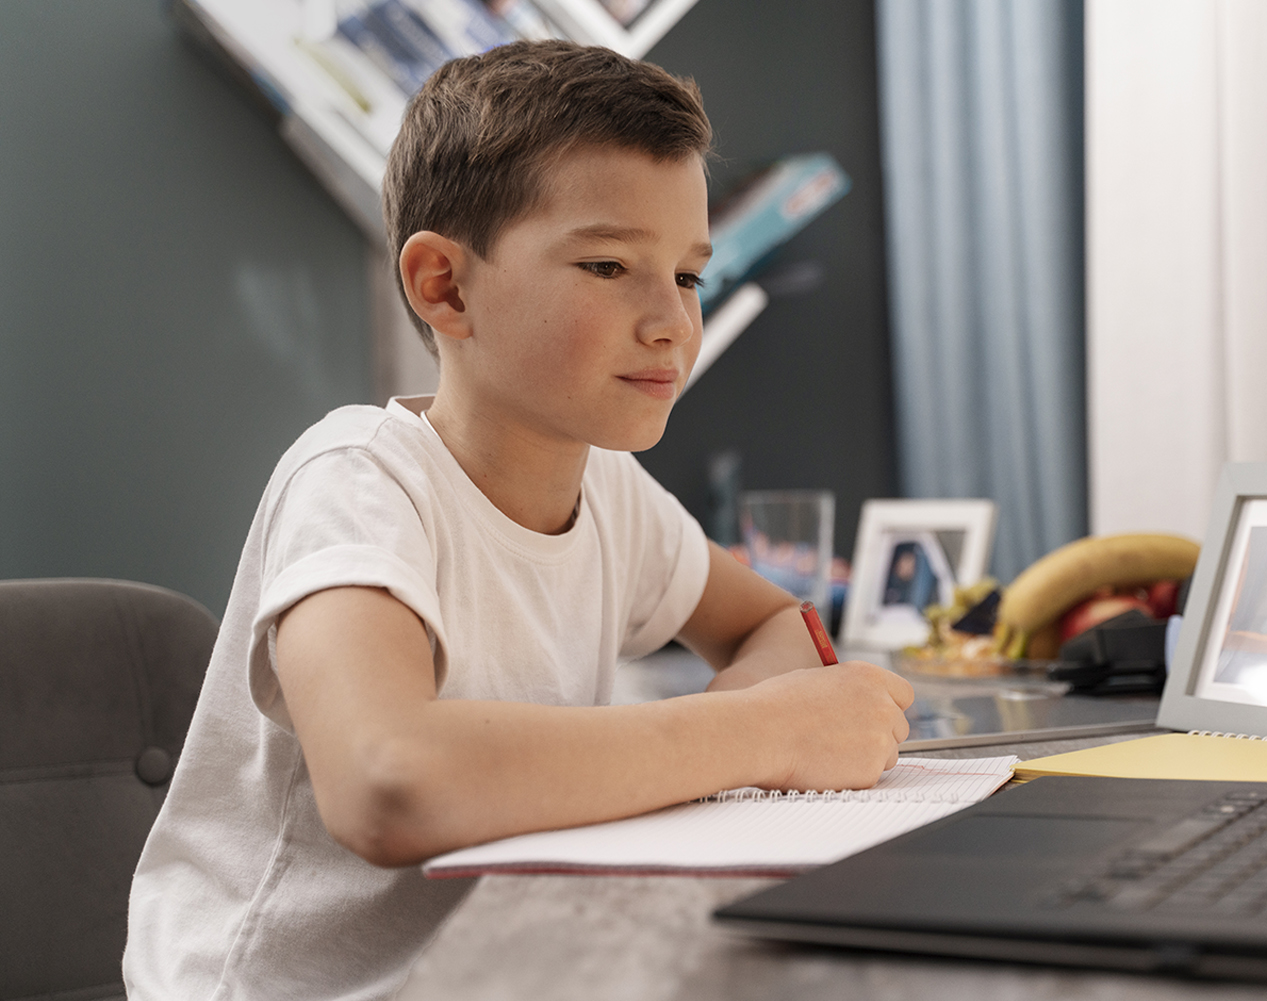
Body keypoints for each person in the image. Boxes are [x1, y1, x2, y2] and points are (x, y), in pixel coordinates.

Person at [123, 41, 912, 999]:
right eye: (610, 264)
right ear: (444, 286)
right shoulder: (359, 484)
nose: (670, 321)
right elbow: (388, 783)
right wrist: (761, 734)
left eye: (690, 276)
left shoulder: (611, 494)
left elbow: (777, 623)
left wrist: (742, 731)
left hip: (508, 963)